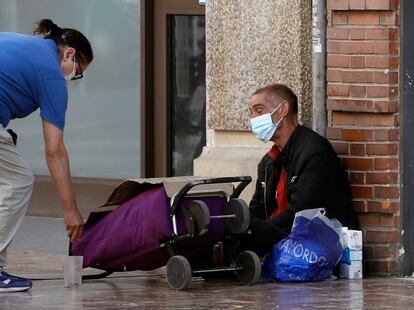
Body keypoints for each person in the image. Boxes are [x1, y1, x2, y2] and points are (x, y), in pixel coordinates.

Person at [0, 19, 93, 292]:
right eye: (77, 73)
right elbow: (54, 151)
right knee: (18, 182)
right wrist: (70, 210)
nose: (72, 78)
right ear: (69, 54)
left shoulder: (20, 42)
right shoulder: (52, 74)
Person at [242, 84, 358, 257]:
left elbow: (300, 214)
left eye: (259, 111)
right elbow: (256, 208)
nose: (253, 118)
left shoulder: (315, 152)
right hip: (279, 237)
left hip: (309, 244)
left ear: (283, 109)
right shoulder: (269, 161)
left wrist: (257, 231)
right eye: (251, 112)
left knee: (252, 230)